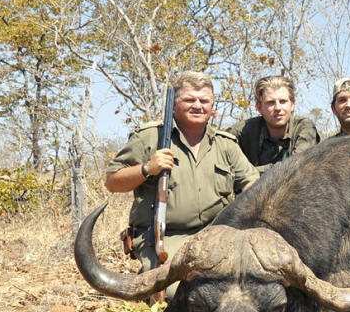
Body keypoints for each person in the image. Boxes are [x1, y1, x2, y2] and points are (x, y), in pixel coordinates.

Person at [105, 71, 259, 300]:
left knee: (248, 287)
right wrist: (147, 168)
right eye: (189, 99)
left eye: (204, 100)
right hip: (166, 235)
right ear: (175, 104)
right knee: (179, 295)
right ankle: (151, 277)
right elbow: (112, 181)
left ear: (212, 106)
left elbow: (250, 183)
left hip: (217, 234)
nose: (198, 105)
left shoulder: (225, 143)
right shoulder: (149, 137)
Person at [228, 75, 321, 175]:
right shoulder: (242, 131)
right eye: (271, 102)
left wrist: (248, 173)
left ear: (292, 104)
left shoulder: (304, 128)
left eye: (283, 101)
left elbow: (296, 166)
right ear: (259, 107)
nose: (278, 108)